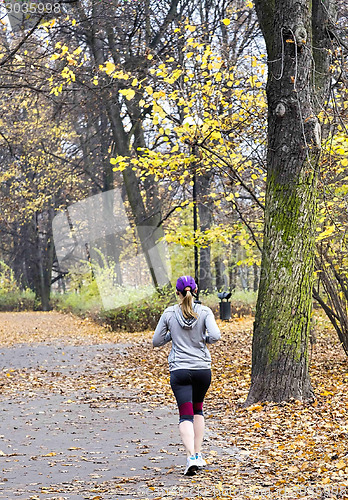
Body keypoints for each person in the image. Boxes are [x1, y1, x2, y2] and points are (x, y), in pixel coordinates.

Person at [152, 275, 221, 476]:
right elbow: (215, 336)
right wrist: (203, 338)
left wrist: (171, 335)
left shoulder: (169, 313)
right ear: (196, 291)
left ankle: (190, 457)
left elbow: (156, 341)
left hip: (180, 371)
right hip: (202, 370)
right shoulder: (205, 311)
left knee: (185, 415)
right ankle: (198, 454)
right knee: (198, 410)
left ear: (177, 293)